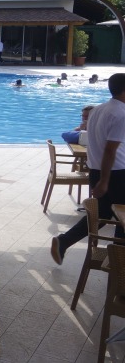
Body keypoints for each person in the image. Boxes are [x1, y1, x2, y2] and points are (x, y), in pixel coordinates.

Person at [52, 73, 125, 265]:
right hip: (114, 174)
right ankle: (118, 262)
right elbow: (110, 150)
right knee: (122, 214)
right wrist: (105, 181)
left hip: (97, 170)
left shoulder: (98, 110)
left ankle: (63, 241)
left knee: (102, 214)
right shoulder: (121, 114)